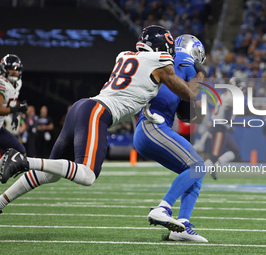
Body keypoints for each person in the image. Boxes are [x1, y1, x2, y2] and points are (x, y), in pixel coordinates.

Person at [0, 26, 204, 234]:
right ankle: (23, 161)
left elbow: (136, 91)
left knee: (49, 175)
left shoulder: (124, 55)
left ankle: (1, 201)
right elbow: (188, 94)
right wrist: (199, 74)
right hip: (97, 112)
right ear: (162, 47)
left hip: (82, 107)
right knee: (87, 175)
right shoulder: (159, 62)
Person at [133, 34, 208, 242]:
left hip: (147, 130)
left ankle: (181, 226)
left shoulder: (166, 60)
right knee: (197, 167)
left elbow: (184, 110)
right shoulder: (185, 59)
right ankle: (163, 208)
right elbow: (193, 104)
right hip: (153, 126)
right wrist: (201, 75)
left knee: (194, 172)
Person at [204, 78, 242, 180]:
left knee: (235, 151)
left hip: (222, 128)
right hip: (219, 128)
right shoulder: (230, 98)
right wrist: (242, 124)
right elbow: (227, 118)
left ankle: (215, 166)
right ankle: (197, 173)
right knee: (213, 156)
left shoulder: (225, 95)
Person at [0, 54, 28, 156]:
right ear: (4, 69)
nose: (14, 71)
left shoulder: (17, 83)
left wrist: (16, 111)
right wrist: (15, 109)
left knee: (21, 151)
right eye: (11, 68)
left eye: (17, 69)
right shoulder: (2, 83)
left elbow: (10, 101)